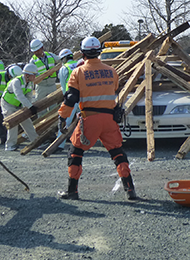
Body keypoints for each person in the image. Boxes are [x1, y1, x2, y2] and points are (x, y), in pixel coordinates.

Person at [58, 36, 137, 200]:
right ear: (99, 52)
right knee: (118, 154)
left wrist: (62, 117)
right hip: (109, 119)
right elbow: (114, 91)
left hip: (89, 120)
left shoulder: (78, 72)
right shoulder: (111, 71)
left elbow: (71, 98)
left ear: (83, 53)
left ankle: (72, 191)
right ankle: (130, 190)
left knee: (75, 153)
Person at [1, 64, 39, 151]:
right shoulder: (16, 81)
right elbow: (19, 95)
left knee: (27, 122)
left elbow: (29, 96)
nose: (35, 77)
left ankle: (36, 141)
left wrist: (28, 106)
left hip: (19, 105)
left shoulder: (30, 83)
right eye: (34, 75)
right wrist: (30, 106)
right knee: (12, 123)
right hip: (8, 104)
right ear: (27, 75)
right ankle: (10, 145)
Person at [54, 48, 81, 152]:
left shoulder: (64, 68)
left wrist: (65, 98)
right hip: (82, 97)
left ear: (64, 58)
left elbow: (62, 85)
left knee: (65, 121)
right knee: (83, 120)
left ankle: (59, 144)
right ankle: (83, 142)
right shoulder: (79, 64)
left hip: (71, 98)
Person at [29, 39, 60, 109]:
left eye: (38, 50)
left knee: (53, 107)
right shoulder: (33, 61)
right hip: (41, 86)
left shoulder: (51, 55)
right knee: (40, 107)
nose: (36, 53)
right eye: (35, 51)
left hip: (52, 85)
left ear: (42, 48)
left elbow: (60, 60)